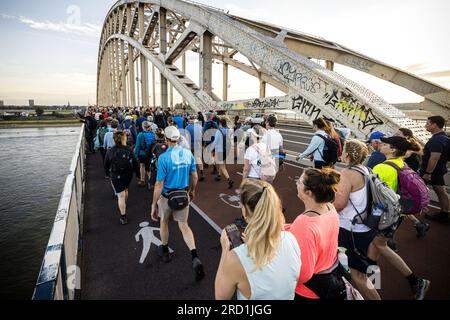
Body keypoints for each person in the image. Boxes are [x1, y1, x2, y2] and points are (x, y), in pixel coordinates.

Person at [215, 179, 301, 300]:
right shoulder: (291, 239)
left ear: (245, 211)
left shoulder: (235, 259)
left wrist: (225, 249)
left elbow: (220, 297)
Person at [372, 136, 431, 300]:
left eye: (385, 144)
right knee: (373, 251)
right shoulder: (400, 163)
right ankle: (372, 286)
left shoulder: (381, 168)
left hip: (384, 214)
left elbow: (375, 194)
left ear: (392, 149)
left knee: (379, 245)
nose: (381, 145)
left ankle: (415, 280)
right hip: (398, 213)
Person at [150, 126, 205, 281]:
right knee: (184, 225)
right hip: (183, 194)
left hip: (167, 196)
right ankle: (194, 256)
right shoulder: (188, 154)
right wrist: (192, 191)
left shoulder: (163, 158)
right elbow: (194, 176)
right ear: (178, 138)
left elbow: (158, 184)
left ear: (166, 140)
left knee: (164, 222)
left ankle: (165, 251)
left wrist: (154, 204)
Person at [285, 168, 346, 300]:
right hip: (330, 276)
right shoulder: (329, 208)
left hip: (307, 291)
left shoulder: (305, 223)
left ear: (308, 192)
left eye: (300, 182)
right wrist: (284, 228)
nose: (297, 183)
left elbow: (303, 274)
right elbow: (317, 233)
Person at [333, 140, 380, 300]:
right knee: (368, 263)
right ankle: (376, 286)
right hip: (367, 226)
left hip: (352, 229)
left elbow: (339, 204)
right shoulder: (366, 170)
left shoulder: (347, 174)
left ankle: (373, 295)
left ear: (346, 154)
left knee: (357, 273)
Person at [394, 128, 430, 238]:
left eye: (398, 134)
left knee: (399, 208)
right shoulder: (414, 152)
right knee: (401, 208)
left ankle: (390, 240)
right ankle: (418, 224)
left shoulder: (409, 154)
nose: (395, 135)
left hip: (403, 185)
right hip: (407, 184)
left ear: (406, 137)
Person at [104, 131, 140, 225]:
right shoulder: (128, 149)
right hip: (128, 174)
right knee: (126, 189)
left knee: (120, 195)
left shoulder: (110, 151)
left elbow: (106, 164)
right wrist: (138, 175)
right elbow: (136, 163)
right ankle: (125, 203)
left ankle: (123, 217)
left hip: (115, 175)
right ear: (124, 138)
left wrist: (107, 174)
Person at [420, 116, 450, 224]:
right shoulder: (444, 138)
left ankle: (445, 214)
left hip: (433, 171)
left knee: (440, 191)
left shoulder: (437, 140)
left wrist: (428, 173)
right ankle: (445, 213)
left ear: (435, 125)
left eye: (428, 123)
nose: (425, 125)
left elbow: (434, 157)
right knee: (441, 191)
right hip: (439, 169)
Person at [211, 118, 234, 189]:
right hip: (226, 149)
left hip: (220, 150)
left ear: (220, 124)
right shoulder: (229, 130)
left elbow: (215, 141)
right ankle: (219, 175)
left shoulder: (218, 131)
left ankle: (229, 180)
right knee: (223, 163)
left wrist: (211, 149)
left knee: (222, 166)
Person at [134, 121, 156, 187]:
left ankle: (142, 180)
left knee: (142, 166)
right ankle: (150, 182)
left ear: (143, 127)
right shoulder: (153, 134)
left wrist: (135, 155)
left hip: (142, 154)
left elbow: (137, 146)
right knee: (149, 167)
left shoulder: (140, 135)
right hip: (151, 154)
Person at [186, 115, 205, 181]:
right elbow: (202, 135)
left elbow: (187, 138)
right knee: (198, 158)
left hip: (190, 144)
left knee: (189, 158)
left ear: (189, 120)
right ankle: (202, 172)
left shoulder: (187, 127)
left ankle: (191, 172)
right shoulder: (199, 126)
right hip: (198, 143)